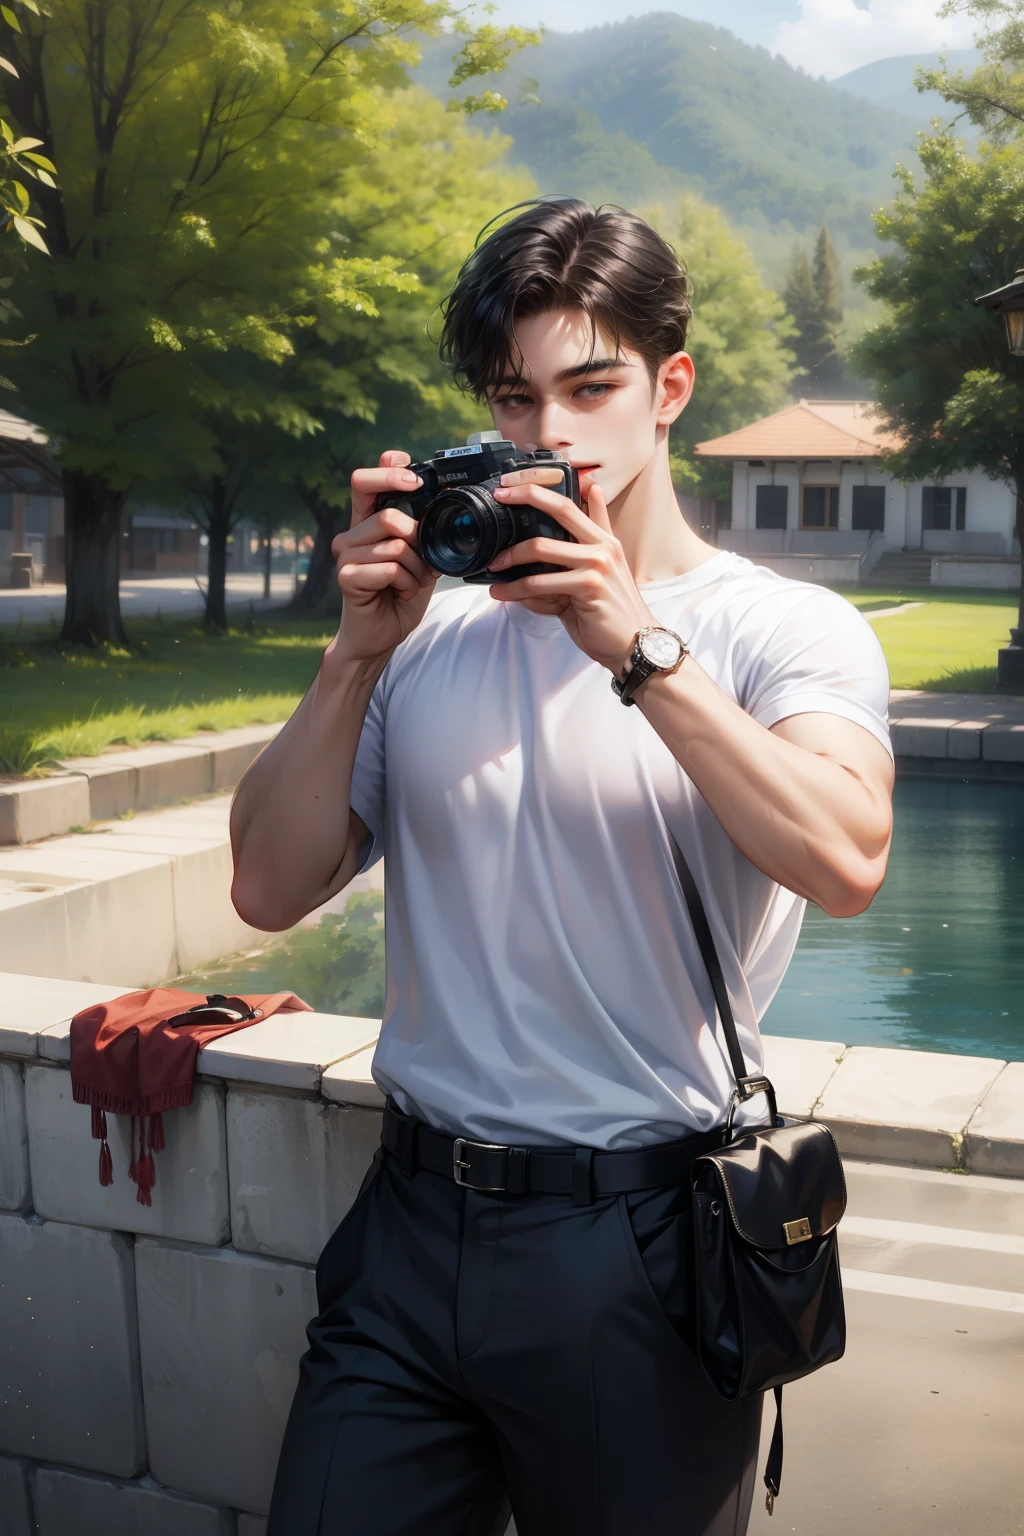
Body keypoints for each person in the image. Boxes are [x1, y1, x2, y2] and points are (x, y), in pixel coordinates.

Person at [230, 197, 894, 1536]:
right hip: (408, 1225)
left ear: (670, 390)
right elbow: (265, 890)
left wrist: (634, 645)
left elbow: (843, 858)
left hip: (641, 1242)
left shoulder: (783, 629)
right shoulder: (424, 638)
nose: (547, 437)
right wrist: (354, 650)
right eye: (511, 399)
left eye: (590, 387)